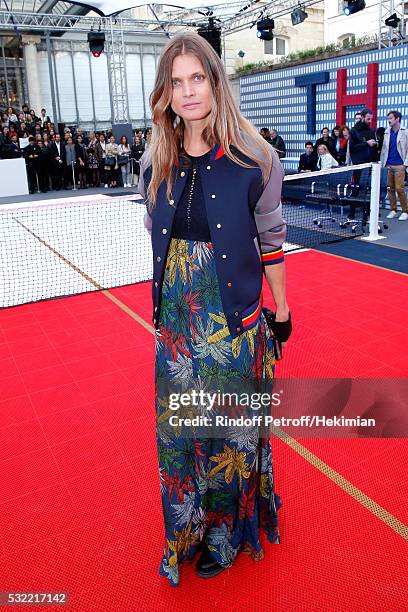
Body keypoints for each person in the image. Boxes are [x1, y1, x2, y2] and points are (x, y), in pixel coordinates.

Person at [139, 31, 290, 588]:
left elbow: (272, 242)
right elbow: (157, 238)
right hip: (177, 326)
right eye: (176, 82)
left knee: (227, 435)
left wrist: (282, 312)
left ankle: (225, 536)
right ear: (166, 93)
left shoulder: (256, 157)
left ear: (215, 81)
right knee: (180, 434)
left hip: (232, 325)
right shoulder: (156, 158)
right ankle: (187, 530)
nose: (187, 92)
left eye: (196, 78)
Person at [380, 110, 408, 221]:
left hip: (400, 165)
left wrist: (405, 164)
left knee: (400, 188)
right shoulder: (387, 132)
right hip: (388, 164)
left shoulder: (405, 132)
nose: (389, 121)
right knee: (390, 189)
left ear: (397, 119)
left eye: (391, 118)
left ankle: (405, 211)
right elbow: (384, 150)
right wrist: (382, 164)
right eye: (388, 118)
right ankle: (393, 210)